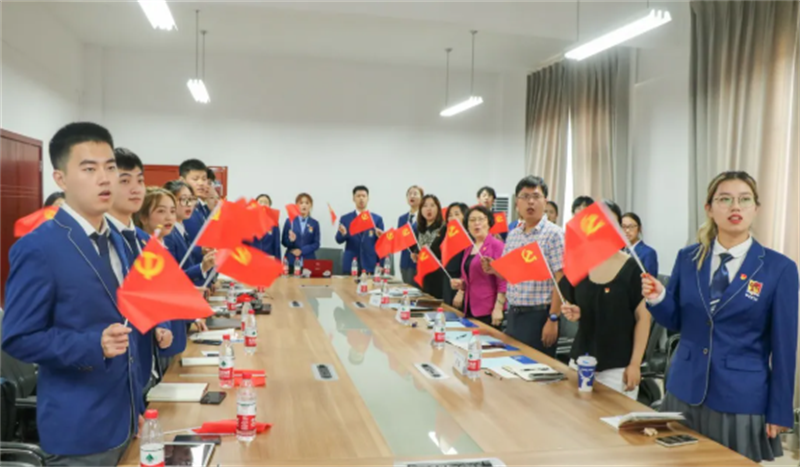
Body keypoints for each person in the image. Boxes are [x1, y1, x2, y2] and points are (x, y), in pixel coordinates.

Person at [2, 122, 143, 465]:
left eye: (110, 167)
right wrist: (92, 344)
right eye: (89, 169)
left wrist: (135, 406)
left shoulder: (119, 240)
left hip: (125, 418)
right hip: (79, 427)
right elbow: (18, 337)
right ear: (60, 179)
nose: (105, 179)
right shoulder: (39, 247)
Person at [642, 171, 798, 463]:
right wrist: (658, 298)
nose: (735, 207)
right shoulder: (688, 258)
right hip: (683, 389)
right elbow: (676, 322)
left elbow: (785, 347)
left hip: (740, 399)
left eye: (744, 199)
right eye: (725, 199)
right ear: (709, 208)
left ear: (756, 208)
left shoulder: (779, 269)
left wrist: (779, 409)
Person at [560, 200, 651, 400]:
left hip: (618, 367)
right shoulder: (580, 264)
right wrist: (575, 312)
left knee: (613, 418)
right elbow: (578, 305)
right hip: (581, 361)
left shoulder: (632, 268)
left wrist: (635, 364)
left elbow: (643, 318)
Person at [105, 148, 173, 396]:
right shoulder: (98, 241)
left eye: (140, 181)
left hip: (144, 363)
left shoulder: (145, 241)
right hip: (112, 370)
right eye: (125, 181)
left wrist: (161, 325)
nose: (135, 189)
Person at [484, 176, 564, 357]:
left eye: (536, 196)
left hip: (540, 316)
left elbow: (561, 280)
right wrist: (494, 269)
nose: (530, 202)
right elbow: (510, 274)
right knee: (513, 365)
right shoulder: (514, 235)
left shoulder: (554, 234)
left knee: (536, 369)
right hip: (514, 314)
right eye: (525, 197)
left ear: (545, 201)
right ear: (517, 204)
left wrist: (553, 318)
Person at [138, 187, 208, 359]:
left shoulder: (162, 247)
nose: (169, 217)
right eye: (161, 211)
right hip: (159, 339)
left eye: (171, 211)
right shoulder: (144, 251)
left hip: (174, 336)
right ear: (143, 217)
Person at [452, 206, 507, 327]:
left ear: (489, 222)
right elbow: (468, 275)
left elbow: (503, 279)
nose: (476, 223)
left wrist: (498, 307)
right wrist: (461, 285)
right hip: (469, 307)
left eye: (481, 219)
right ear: (467, 226)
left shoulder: (497, 246)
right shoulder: (469, 247)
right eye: (472, 220)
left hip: (489, 309)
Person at [161, 181, 215, 286]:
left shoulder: (181, 230)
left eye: (191, 199)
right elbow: (171, 277)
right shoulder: (168, 234)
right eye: (183, 199)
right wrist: (202, 267)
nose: (189, 204)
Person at [335, 185, 384, 274]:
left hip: (370, 265)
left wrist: (381, 264)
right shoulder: (346, 218)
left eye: (364, 196)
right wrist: (343, 234)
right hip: (351, 264)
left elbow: (382, 245)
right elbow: (338, 240)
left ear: (368, 198)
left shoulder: (376, 219)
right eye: (358, 196)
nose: (361, 198)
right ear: (353, 199)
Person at [411, 194, 445, 298]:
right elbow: (418, 250)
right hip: (423, 274)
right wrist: (416, 255)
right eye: (425, 206)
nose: (428, 209)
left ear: (438, 208)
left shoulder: (444, 228)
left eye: (432, 205)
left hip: (439, 276)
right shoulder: (419, 229)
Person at [437, 202, 469, 306]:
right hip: (448, 279)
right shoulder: (447, 235)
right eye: (450, 215)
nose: (452, 218)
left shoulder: (470, 238)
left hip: (462, 284)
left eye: (457, 214)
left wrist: (461, 291)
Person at [281, 193, 321, 274]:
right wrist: (291, 241)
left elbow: (316, 243)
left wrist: (302, 250)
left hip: (309, 260)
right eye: (301, 203)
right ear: (296, 205)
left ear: (310, 205)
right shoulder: (290, 221)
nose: (304, 205)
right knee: (290, 282)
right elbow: (284, 242)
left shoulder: (314, 223)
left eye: (307, 203)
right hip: (291, 260)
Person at [398, 185, 423, 284]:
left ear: (422, 198)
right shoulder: (402, 219)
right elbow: (400, 239)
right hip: (405, 263)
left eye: (415, 194)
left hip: (420, 262)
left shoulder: (424, 218)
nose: (412, 196)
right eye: (409, 194)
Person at [179, 159, 210, 241]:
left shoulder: (200, 206)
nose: (201, 183)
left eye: (204, 179)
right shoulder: (179, 207)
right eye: (195, 179)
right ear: (182, 180)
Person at [621, 212, 659, 277]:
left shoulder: (648, 253)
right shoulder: (619, 251)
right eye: (623, 227)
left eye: (631, 227)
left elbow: (649, 280)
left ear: (639, 228)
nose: (627, 230)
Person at [249, 194, 281, 258]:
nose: (263, 204)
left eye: (266, 202)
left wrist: (277, 261)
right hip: (252, 258)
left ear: (269, 206)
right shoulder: (249, 221)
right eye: (260, 202)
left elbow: (276, 245)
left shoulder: (274, 223)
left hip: (268, 258)